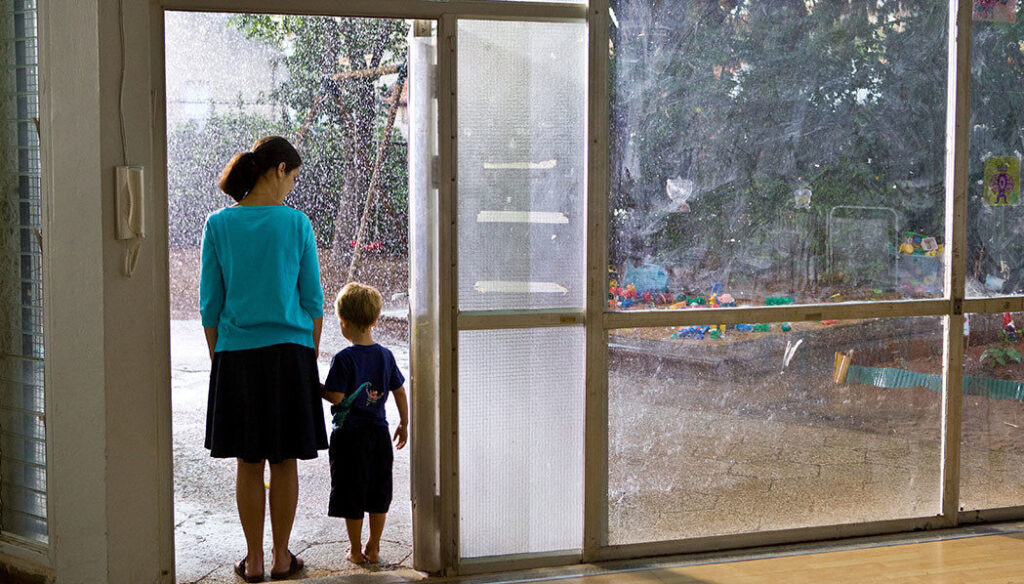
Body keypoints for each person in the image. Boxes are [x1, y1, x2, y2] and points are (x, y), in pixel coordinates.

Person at [200, 136, 327, 582]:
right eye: (292, 177)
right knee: (285, 460)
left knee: (248, 462)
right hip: (291, 357)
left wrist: (222, 357)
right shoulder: (297, 225)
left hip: (237, 357)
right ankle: (280, 557)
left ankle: (252, 561)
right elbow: (313, 304)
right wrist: (306, 357)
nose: (292, 186)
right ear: (278, 170)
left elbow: (209, 306)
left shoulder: (218, 225)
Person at [322, 282, 409, 565]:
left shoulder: (344, 358)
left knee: (352, 491)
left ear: (344, 322)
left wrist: (314, 386)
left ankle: (356, 550)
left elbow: (335, 396)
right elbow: (399, 390)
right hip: (379, 434)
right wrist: (404, 422)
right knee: (378, 490)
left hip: (350, 436)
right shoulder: (386, 355)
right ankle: (374, 546)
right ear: (374, 321)